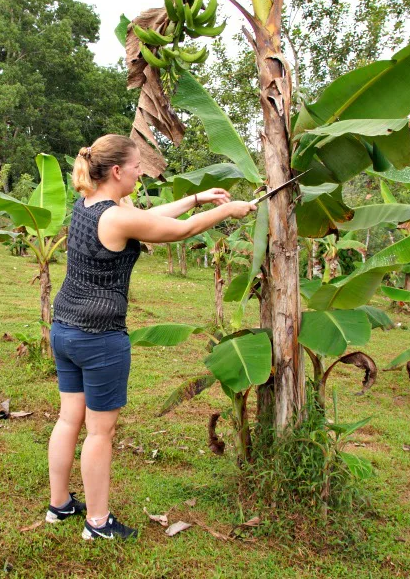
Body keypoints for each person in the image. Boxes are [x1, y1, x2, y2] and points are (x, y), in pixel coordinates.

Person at [46, 134, 256, 540]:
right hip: (100, 338)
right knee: (100, 432)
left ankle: (60, 505)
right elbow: (179, 231)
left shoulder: (89, 205)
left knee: (68, 418)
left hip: (65, 329)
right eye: (138, 165)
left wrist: (196, 198)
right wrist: (230, 210)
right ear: (119, 171)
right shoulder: (118, 216)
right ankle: (98, 523)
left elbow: (152, 216)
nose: (142, 171)